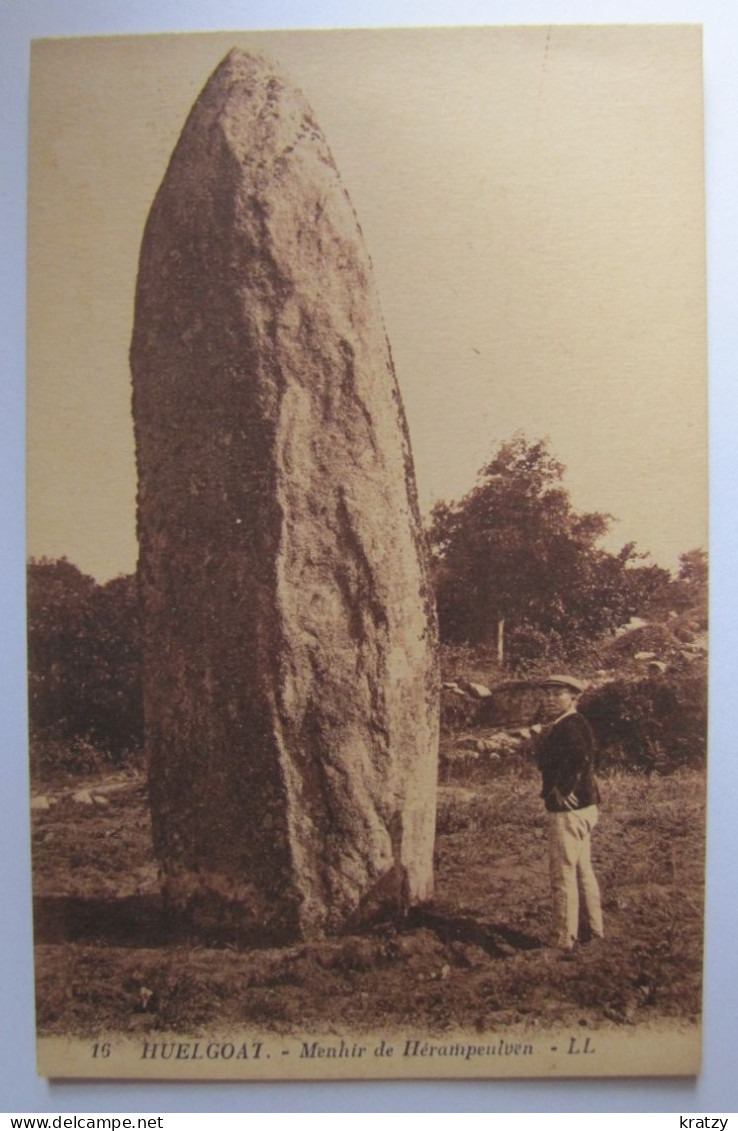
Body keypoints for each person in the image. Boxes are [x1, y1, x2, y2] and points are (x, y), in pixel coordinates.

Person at [532, 674, 603, 951]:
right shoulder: (572, 723)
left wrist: (563, 789)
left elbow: (579, 757)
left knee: (562, 873)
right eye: (547, 693)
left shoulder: (569, 726)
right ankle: (593, 929)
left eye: (557, 693)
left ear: (574, 697)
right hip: (585, 807)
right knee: (582, 870)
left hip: (568, 811)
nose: (550, 699)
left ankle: (563, 938)